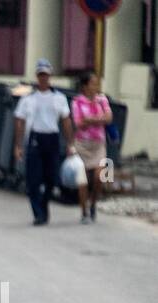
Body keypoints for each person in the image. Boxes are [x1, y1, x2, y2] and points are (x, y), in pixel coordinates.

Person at [13, 59, 73, 226]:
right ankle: (38, 212)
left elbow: (66, 120)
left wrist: (70, 143)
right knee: (33, 179)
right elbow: (19, 120)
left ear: (50, 76)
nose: (43, 78)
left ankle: (44, 205)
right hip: (34, 138)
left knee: (51, 178)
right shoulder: (28, 98)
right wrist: (18, 145)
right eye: (40, 75)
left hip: (52, 138)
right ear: (37, 76)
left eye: (46, 75)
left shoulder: (59, 98)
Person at [71, 70, 112, 223]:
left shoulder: (102, 99)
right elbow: (79, 122)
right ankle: (84, 212)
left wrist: (90, 119)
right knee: (82, 180)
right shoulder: (77, 101)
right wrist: (97, 120)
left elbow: (108, 118)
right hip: (81, 145)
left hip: (98, 145)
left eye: (97, 83)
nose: (96, 86)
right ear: (85, 86)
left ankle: (93, 202)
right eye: (93, 83)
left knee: (99, 177)